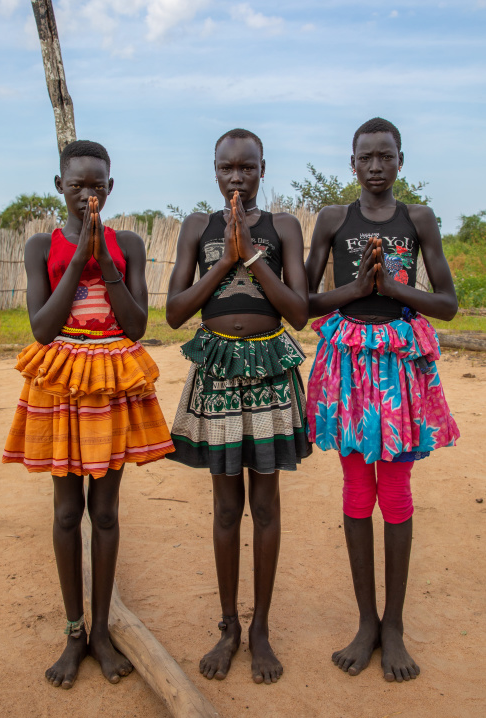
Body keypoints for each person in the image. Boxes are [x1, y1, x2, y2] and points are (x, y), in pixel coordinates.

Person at [3, 140, 174, 689]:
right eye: (77, 184)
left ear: (111, 187)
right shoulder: (40, 246)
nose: (87, 193)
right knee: (64, 512)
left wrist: (106, 261)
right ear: (60, 187)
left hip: (112, 380)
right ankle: (74, 632)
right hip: (61, 380)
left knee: (104, 510)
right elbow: (42, 327)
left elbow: (137, 324)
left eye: (97, 184)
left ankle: (102, 631)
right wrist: (80, 259)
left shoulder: (128, 244)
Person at [305, 117, 459, 683]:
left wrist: (392, 289)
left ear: (400, 160)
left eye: (385, 156)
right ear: (351, 163)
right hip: (346, 362)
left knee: (394, 487)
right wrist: (358, 291)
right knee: (354, 487)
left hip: (396, 366)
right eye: (365, 157)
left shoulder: (417, 220)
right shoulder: (332, 219)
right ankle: (365, 622)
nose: (375, 165)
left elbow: (445, 303)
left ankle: (393, 625)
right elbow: (304, 301)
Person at [166, 128, 311, 684]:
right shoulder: (196, 228)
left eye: (247, 169)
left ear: (263, 169)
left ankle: (263, 630)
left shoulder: (283, 228)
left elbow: (298, 312)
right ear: (215, 170)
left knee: (267, 504)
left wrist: (250, 256)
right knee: (227, 508)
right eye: (227, 169)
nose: (236, 179)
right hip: (218, 372)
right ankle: (229, 627)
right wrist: (222, 262)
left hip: (271, 370)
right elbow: (176, 312)